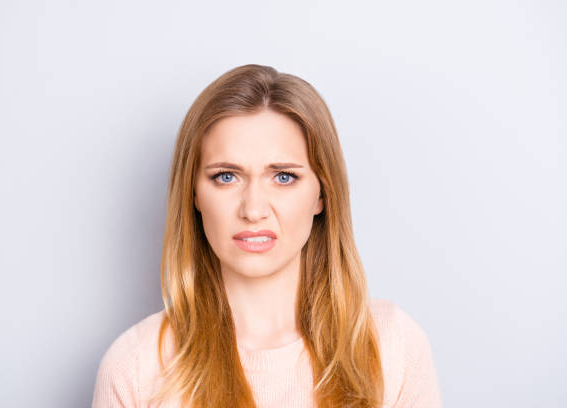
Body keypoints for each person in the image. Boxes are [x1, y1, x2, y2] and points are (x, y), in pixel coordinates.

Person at [92, 64, 443, 408]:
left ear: (322, 194)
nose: (254, 209)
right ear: (193, 194)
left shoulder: (391, 345)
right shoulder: (136, 367)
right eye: (227, 176)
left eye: (284, 177)